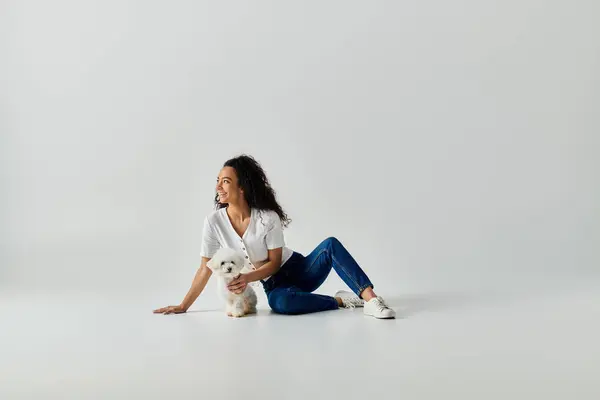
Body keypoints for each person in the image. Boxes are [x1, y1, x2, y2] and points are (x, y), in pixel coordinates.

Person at [153, 154, 396, 319]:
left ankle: (371, 300)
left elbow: (275, 262)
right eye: (217, 181)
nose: (218, 186)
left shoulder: (267, 217)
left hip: (299, 269)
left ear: (242, 188)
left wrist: (247, 277)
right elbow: (205, 268)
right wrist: (183, 306)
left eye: (225, 181)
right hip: (274, 284)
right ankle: (341, 302)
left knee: (330, 245)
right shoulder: (213, 222)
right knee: (280, 304)